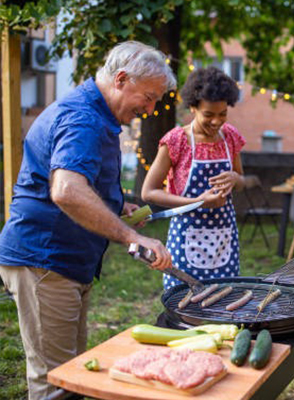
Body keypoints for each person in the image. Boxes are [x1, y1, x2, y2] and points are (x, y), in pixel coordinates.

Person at [0, 41, 175, 399]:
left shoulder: (98, 116)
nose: (152, 108)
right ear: (122, 79)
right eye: (149, 96)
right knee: (56, 385)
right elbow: (66, 190)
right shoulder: (84, 119)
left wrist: (117, 204)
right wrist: (132, 237)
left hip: (64, 263)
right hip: (45, 260)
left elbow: (85, 182)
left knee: (72, 374)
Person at [142, 67, 246, 289]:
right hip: (186, 239)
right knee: (185, 307)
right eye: (208, 114)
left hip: (224, 239)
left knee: (223, 305)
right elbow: (149, 192)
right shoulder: (176, 141)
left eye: (223, 114)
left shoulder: (230, 138)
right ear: (192, 107)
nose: (217, 121)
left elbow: (243, 181)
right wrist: (198, 202)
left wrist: (235, 178)